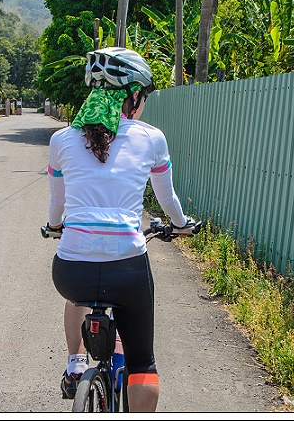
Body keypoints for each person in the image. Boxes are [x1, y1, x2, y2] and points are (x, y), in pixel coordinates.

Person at [45, 47, 196, 412]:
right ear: (133, 96)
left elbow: (56, 206)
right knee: (142, 363)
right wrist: (181, 226)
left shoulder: (62, 140)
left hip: (71, 273)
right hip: (126, 270)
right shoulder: (151, 138)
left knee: (78, 285)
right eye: (143, 96)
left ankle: (75, 363)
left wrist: (54, 227)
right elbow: (168, 200)